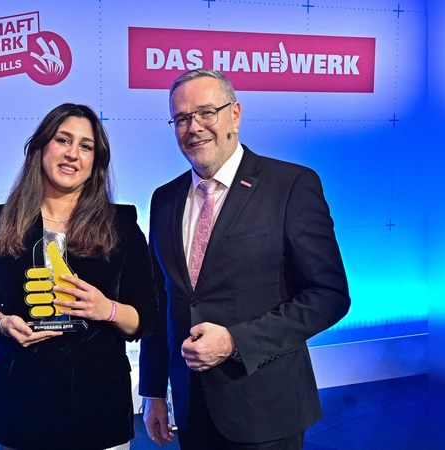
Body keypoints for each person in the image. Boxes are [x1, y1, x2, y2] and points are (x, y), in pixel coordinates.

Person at [139, 69, 351, 449]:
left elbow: (329, 295)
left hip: (267, 410)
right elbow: (162, 301)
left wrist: (235, 341)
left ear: (235, 114)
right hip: (191, 408)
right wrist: (154, 391)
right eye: (182, 118)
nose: (194, 127)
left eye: (207, 112)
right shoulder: (163, 199)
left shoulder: (291, 185)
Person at [0, 103, 159, 450]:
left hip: (100, 412)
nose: (73, 154)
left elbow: (147, 318)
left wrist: (106, 309)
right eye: (63, 140)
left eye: (86, 146)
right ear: (41, 148)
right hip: (21, 408)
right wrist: (4, 323)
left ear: (95, 162)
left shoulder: (122, 226)